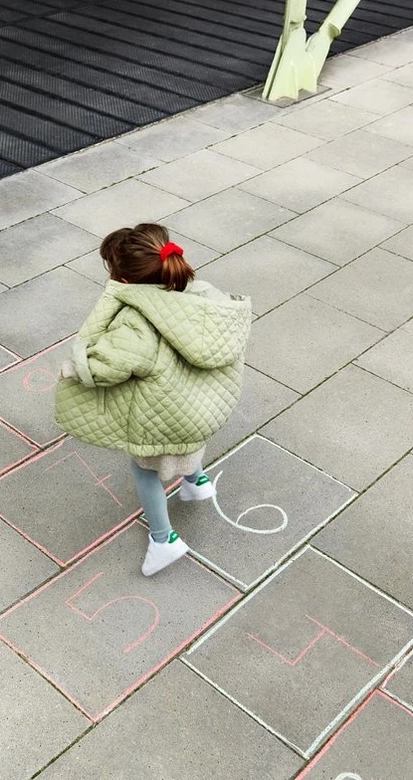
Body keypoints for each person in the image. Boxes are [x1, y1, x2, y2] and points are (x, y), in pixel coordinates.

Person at [54, 224, 252, 577]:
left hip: (167, 415)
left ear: (123, 280)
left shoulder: (135, 322)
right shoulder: (201, 293)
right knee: (185, 444)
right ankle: (196, 483)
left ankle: (164, 540)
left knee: (145, 469)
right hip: (202, 402)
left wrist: (76, 367)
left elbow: (108, 366)